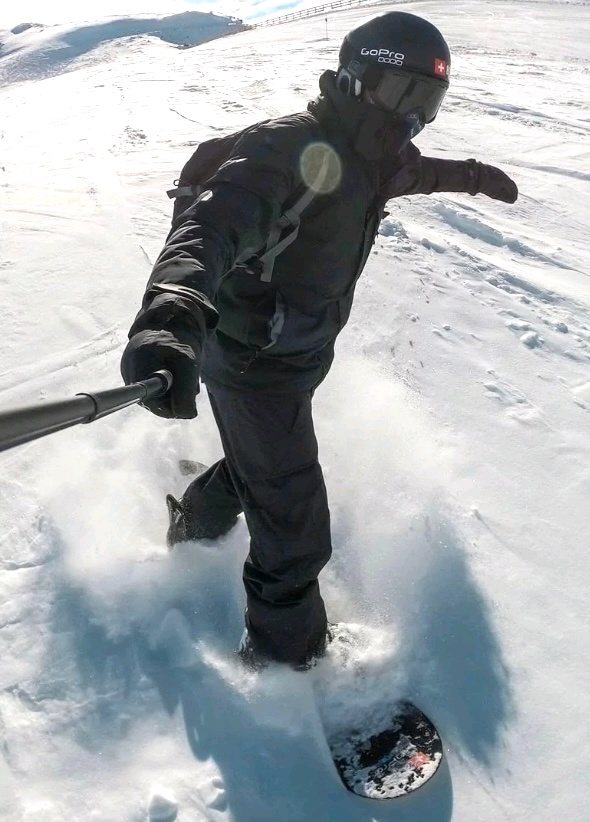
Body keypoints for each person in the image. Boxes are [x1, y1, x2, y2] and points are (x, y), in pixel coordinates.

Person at [120, 11, 519, 671]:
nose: (414, 118)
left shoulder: (375, 160)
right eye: (403, 95)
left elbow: (418, 175)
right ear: (357, 79)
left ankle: (194, 523)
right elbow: (212, 226)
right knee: (295, 531)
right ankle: (285, 663)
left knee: (265, 468)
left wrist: (474, 175)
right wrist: (174, 310)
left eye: (430, 102)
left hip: (290, 359)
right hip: (252, 363)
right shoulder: (288, 149)